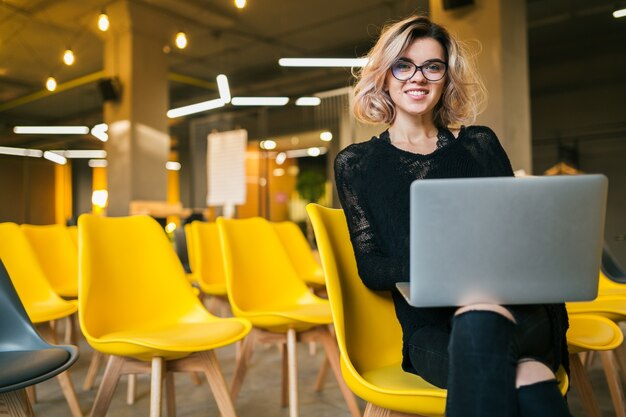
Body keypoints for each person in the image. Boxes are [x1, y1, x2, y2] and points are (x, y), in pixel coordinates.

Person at [334, 15, 571, 417]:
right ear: (385, 76)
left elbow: (517, 235)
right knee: (526, 374)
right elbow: (371, 268)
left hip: (516, 312)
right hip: (431, 330)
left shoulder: (479, 144)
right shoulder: (357, 164)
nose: (418, 78)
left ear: (446, 77)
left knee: (487, 334)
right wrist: (449, 265)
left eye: (432, 66)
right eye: (403, 65)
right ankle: (527, 368)